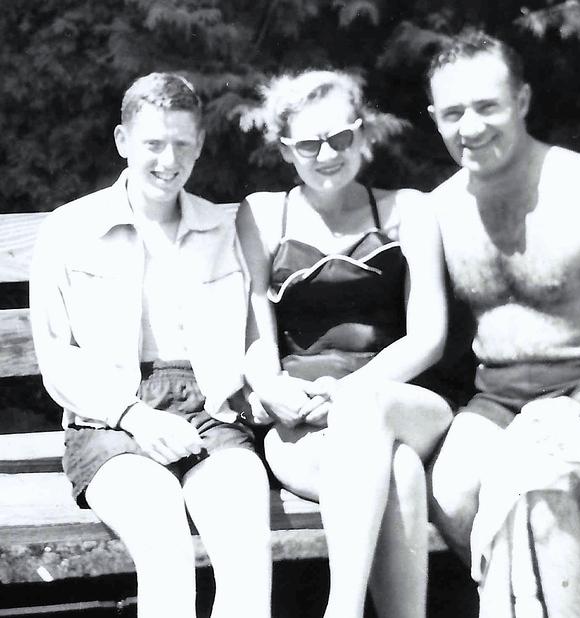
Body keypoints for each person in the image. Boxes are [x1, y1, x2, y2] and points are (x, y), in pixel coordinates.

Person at [30, 73, 271, 618]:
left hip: (209, 413)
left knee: (245, 539)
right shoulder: (71, 229)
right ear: (122, 142)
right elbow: (56, 359)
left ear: (200, 146)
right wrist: (133, 414)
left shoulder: (222, 228)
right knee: (162, 529)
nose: (168, 160)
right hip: (107, 418)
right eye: (153, 144)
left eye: (182, 144)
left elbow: (253, 336)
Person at [425, 30, 580, 618]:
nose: (470, 127)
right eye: (453, 113)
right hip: (499, 404)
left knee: (536, 475)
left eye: (487, 106)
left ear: (521, 102)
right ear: (434, 118)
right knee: (449, 489)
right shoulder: (439, 210)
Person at [237, 69, 452, 618]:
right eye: (308, 143)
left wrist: (350, 392)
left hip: (400, 402)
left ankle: (344, 609)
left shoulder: (410, 209)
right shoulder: (263, 215)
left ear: (364, 134)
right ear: (286, 150)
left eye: (340, 137)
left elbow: (428, 337)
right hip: (301, 418)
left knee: (369, 412)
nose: (326, 154)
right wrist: (270, 386)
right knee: (400, 472)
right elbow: (255, 331)